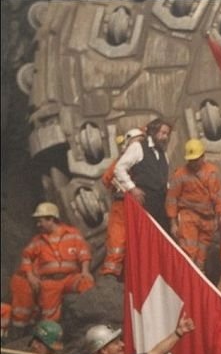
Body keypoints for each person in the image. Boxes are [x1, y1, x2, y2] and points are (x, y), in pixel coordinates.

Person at [9, 202, 94, 336]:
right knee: (50, 316)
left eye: (40, 221)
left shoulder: (72, 234)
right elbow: (26, 257)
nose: (38, 225)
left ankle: (88, 324)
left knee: (86, 283)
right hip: (50, 283)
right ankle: (49, 341)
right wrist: (31, 276)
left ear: (51, 219)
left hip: (70, 278)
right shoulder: (38, 240)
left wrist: (85, 271)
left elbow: (84, 253)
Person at [166, 138, 221, 269]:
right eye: (191, 160)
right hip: (188, 216)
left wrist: (218, 217)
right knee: (188, 252)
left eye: (196, 159)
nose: (194, 163)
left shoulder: (212, 171)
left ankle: (198, 279)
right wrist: (173, 223)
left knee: (201, 256)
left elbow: (218, 195)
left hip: (208, 219)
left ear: (203, 156)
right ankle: (186, 280)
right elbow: (171, 199)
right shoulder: (180, 174)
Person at [100, 127, 145, 277]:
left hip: (133, 203)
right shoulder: (123, 160)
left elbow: (107, 179)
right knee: (118, 237)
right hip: (124, 202)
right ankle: (113, 271)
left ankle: (117, 270)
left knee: (125, 238)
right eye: (137, 142)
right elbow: (107, 179)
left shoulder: (129, 158)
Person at [114, 117, 173, 230]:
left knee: (163, 235)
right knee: (147, 234)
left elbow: (164, 177)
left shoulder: (163, 153)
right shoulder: (138, 147)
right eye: (163, 133)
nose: (166, 137)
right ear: (154, 132)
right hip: (145, 202)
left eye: (167, 134)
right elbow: (119, 168)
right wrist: (132, 188)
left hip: (161, 203)